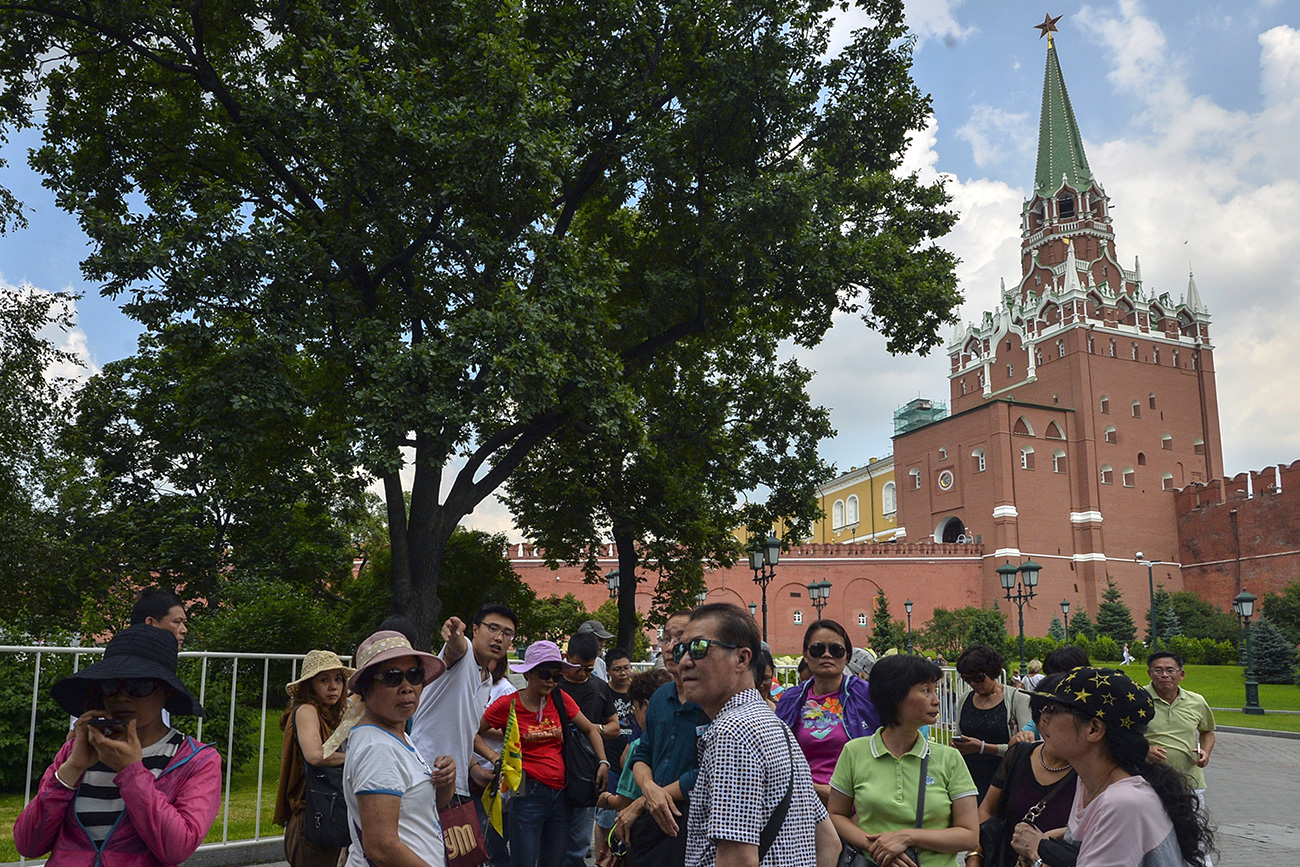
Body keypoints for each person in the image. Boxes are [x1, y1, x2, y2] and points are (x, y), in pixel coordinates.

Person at [15, 624, 221, 867]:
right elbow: (28, 844)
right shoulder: (77, 751)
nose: (123, 697)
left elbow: (176, 849)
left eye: (140, 686)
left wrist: (132, 772)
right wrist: (72, 768)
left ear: (167, 692)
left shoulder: (197, 761)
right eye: (112, 685)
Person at [677, 603, 838, 867]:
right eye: (680, 649)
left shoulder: (733, 732)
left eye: (699, 648)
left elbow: (737, 859)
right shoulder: (775, 725)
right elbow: (829, 842)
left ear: (741, 658)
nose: (684, 661)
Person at [1010, 668, 1214, 867]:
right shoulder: (1089, 781)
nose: (1043, 718)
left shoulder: (1124, 802)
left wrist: (1036, 852)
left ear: (1094, 729)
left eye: (1053, 710)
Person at [829, 654, 978, 867]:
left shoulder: (949, 758)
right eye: (926, 691)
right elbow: (836, 814)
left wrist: (907, 837)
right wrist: (878, 848)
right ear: (894, 697)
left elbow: (969, 835)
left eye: (935, 690)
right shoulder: (854, 752)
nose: (936, 700)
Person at [480, 640, 610, 867]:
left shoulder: (560, 700)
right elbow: (472, 733)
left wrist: (603, 762)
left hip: (561, 795)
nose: (551, 681)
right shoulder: (508, 704)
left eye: (556, 676)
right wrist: (493, 758)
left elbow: (590, 728)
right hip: (526, 794)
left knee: (554, 861)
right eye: (545, 674)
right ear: (529, 674)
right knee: (524, 861)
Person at [409, 603, 519, 865]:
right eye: (493, 628)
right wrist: (455, 634)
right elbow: (456, 647)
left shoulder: (486, 678)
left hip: (455, 785)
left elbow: (463, 731)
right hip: (426, 776)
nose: (499, 638)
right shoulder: (465, 656)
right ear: (475, 629)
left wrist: (472, 767)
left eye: (507, 633)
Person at [340, 630, 456, 867]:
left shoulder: (396, 734)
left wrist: (446, 780)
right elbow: (382, 848)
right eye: (393, 677)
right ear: (366, 687)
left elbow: (424, 809)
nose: (407, 687)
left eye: (415, 675)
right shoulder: (377, 749)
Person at [614, 610, 708, 867]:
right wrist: (649, 790)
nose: (671, 646)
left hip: (691, 821)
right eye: (666, 638)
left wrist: (647, 800)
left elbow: (708, 772)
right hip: (653, 818)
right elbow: (643, 754)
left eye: (681, 638)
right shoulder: (659, 697)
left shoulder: (709, 702)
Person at [968, 674, 1075, 867]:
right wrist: (975, 854)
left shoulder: (1089, 772)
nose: (1049, 721)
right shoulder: (1018, 754)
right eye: (1046, 712)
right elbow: (986, 809)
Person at [775, 619, 880, 806]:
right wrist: (810, 789)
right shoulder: (792, 699)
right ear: (805, 655)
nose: (826, 655)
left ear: (847, 656)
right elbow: (777, 754)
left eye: (836, 650)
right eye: (817, 649)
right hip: (802, 801)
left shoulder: (867, 696)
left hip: (857, 802)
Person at [275, 649, 353, 867]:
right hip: (310, 813)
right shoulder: (307, 710)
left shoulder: (329, 714)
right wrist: (354, 757)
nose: (333, 686)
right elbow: (315, 756)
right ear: (309, 685)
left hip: (325, 810)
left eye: (338, 679)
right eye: (324, 680)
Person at [555, 632, 620, 867]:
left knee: (579, 843)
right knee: (554, 841)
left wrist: (592, 729)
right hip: (555, 769)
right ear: (566, 658)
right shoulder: (552, 684)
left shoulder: (600, 687)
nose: (582, 674)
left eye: (589, 669)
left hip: (586, 771)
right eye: (577, 667)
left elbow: (615, 727)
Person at [1144, 650, 1215, 864]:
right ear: (1149, 673)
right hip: (1150, 783)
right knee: (1156, 837)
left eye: (1169, 670)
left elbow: (1207, 731)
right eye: (1158, 670)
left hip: (1190, 781)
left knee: (1194, 835)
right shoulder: (1139, 700)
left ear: (1181, 674)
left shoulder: (1196, 701)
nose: (1164, 675)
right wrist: (1144, 749)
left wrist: (1206, 751)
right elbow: (1122, 735)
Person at [952, 644, 1035, 800]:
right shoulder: (965, 699)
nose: (973, 683)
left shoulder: (1018, 699)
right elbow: (960, 734)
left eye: (978, 678)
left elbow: (1026, 747)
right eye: (967, 679)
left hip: (1005, 779)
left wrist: (983, 748)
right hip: (968, 779)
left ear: (992, 672)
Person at [595, 648, 637, 866]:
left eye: (627, 668)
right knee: (604, 817)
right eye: (618, 669)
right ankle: (602, 860)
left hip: (633, 766)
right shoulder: (603, 692)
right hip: (611, 763)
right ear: (608, 671)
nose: (623, 673)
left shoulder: (637, 692)